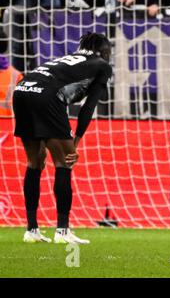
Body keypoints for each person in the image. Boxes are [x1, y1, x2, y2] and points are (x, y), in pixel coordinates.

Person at [13, 32, 112, 244]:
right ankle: (62, 231)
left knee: (34, 162)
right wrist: (75, 143)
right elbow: (89, 106)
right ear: (103, 51)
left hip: (22, 90)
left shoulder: (68, 59)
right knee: (64, 163)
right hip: (47, 96)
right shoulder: (102, 65)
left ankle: (31, 230)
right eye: (108, 51)